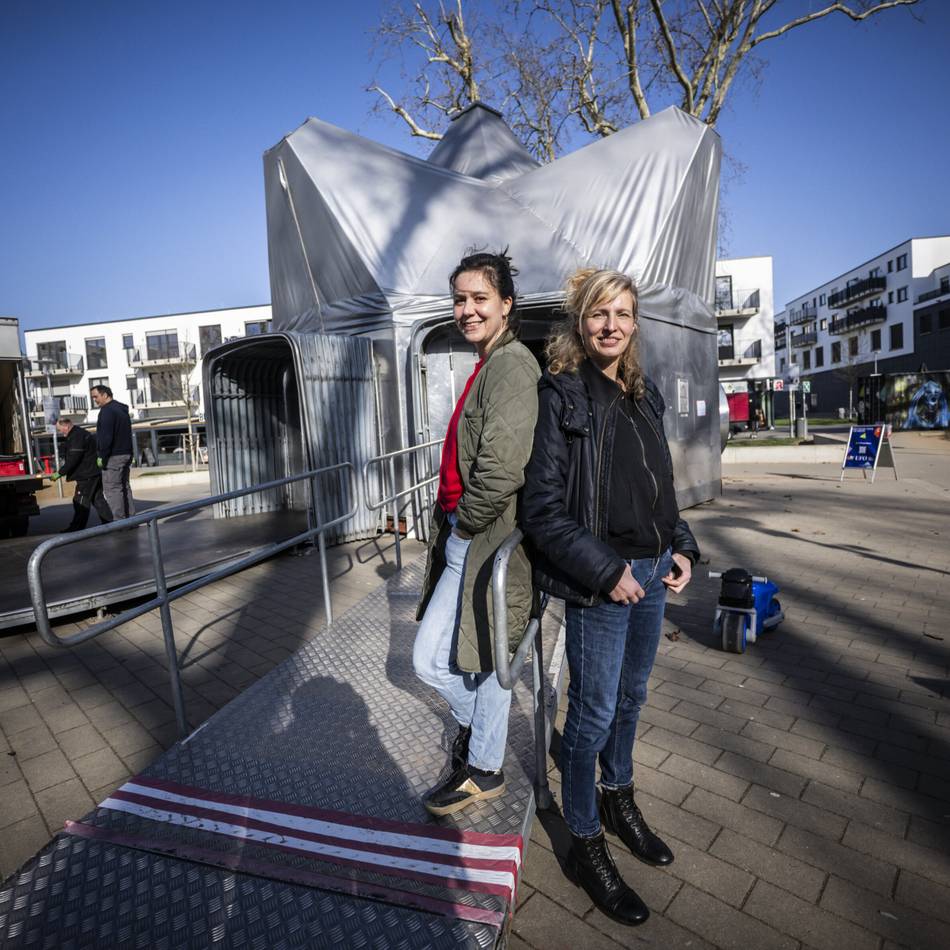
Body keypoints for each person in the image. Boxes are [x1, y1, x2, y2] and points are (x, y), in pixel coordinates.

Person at [522, 268, 700, 927]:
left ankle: (619, 796)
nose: (612, 324)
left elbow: (663, 486)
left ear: (634, 323)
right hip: (604, 583)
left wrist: (681, 545)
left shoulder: (644, 393)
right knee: (591, 714)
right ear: (580, 320)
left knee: (632, 698)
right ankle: (586, 840)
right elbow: (541, 510)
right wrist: (604, 570)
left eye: (623, 313)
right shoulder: (561, 396)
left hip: (654, 573)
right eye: (599, 312)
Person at [413, 250, 540, 816]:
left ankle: (484, 761)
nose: (466, 310)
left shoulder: (512, 367)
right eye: (460, 300)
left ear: (506, 304)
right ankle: (483, 747)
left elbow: (502, 469)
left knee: (462, 658)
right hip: (468, 537)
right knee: (461, 657)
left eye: (479, 299)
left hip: (484, 538)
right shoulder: (488, 363)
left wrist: (463, 524)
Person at [49, 418, 113, 531]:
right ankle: (110, 523)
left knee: (80, 500)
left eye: (60, 430)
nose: (61, 433)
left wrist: (60, 473)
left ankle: (77, 528)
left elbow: (74, 458)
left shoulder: (76, 436)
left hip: (87, 475)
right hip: (93, 472)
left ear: (66, 426)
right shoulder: (81, 433)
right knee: (98, 499)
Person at [91, 384, 135, 520]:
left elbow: (105, 437)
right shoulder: (122, 410)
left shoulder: (106, 411)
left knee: (113, 490)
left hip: (113, 457)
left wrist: (102, 456)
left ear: (105, 395)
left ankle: (119, 522)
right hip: (125, 454)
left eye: (96, 396)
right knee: (124, 487)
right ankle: (131, 520)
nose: (94, 400)